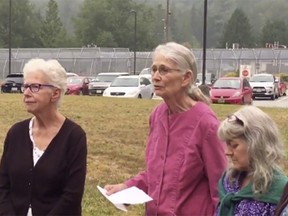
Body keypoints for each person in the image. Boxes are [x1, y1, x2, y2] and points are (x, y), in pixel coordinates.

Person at [104, 42, 227, 215]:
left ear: (186, 78)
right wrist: (127, 187)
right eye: (153, 69)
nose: (155, 76)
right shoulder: (157, 115)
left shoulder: (207, 124)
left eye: (164, 70)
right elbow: (157, 174)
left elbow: (221, 189)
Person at [0, 58, 87, 215]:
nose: (26, 92)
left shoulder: (74, 136)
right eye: (25, 86)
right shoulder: (15, 133)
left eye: (35, 87)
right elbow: (3, 186)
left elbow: (71, 196)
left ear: (55, 94)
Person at [216, 106, 288, 216]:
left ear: (256, 145)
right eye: (226, 144)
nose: (227, 152)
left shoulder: (281, 191)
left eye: (234, 145)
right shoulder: (229, 180)